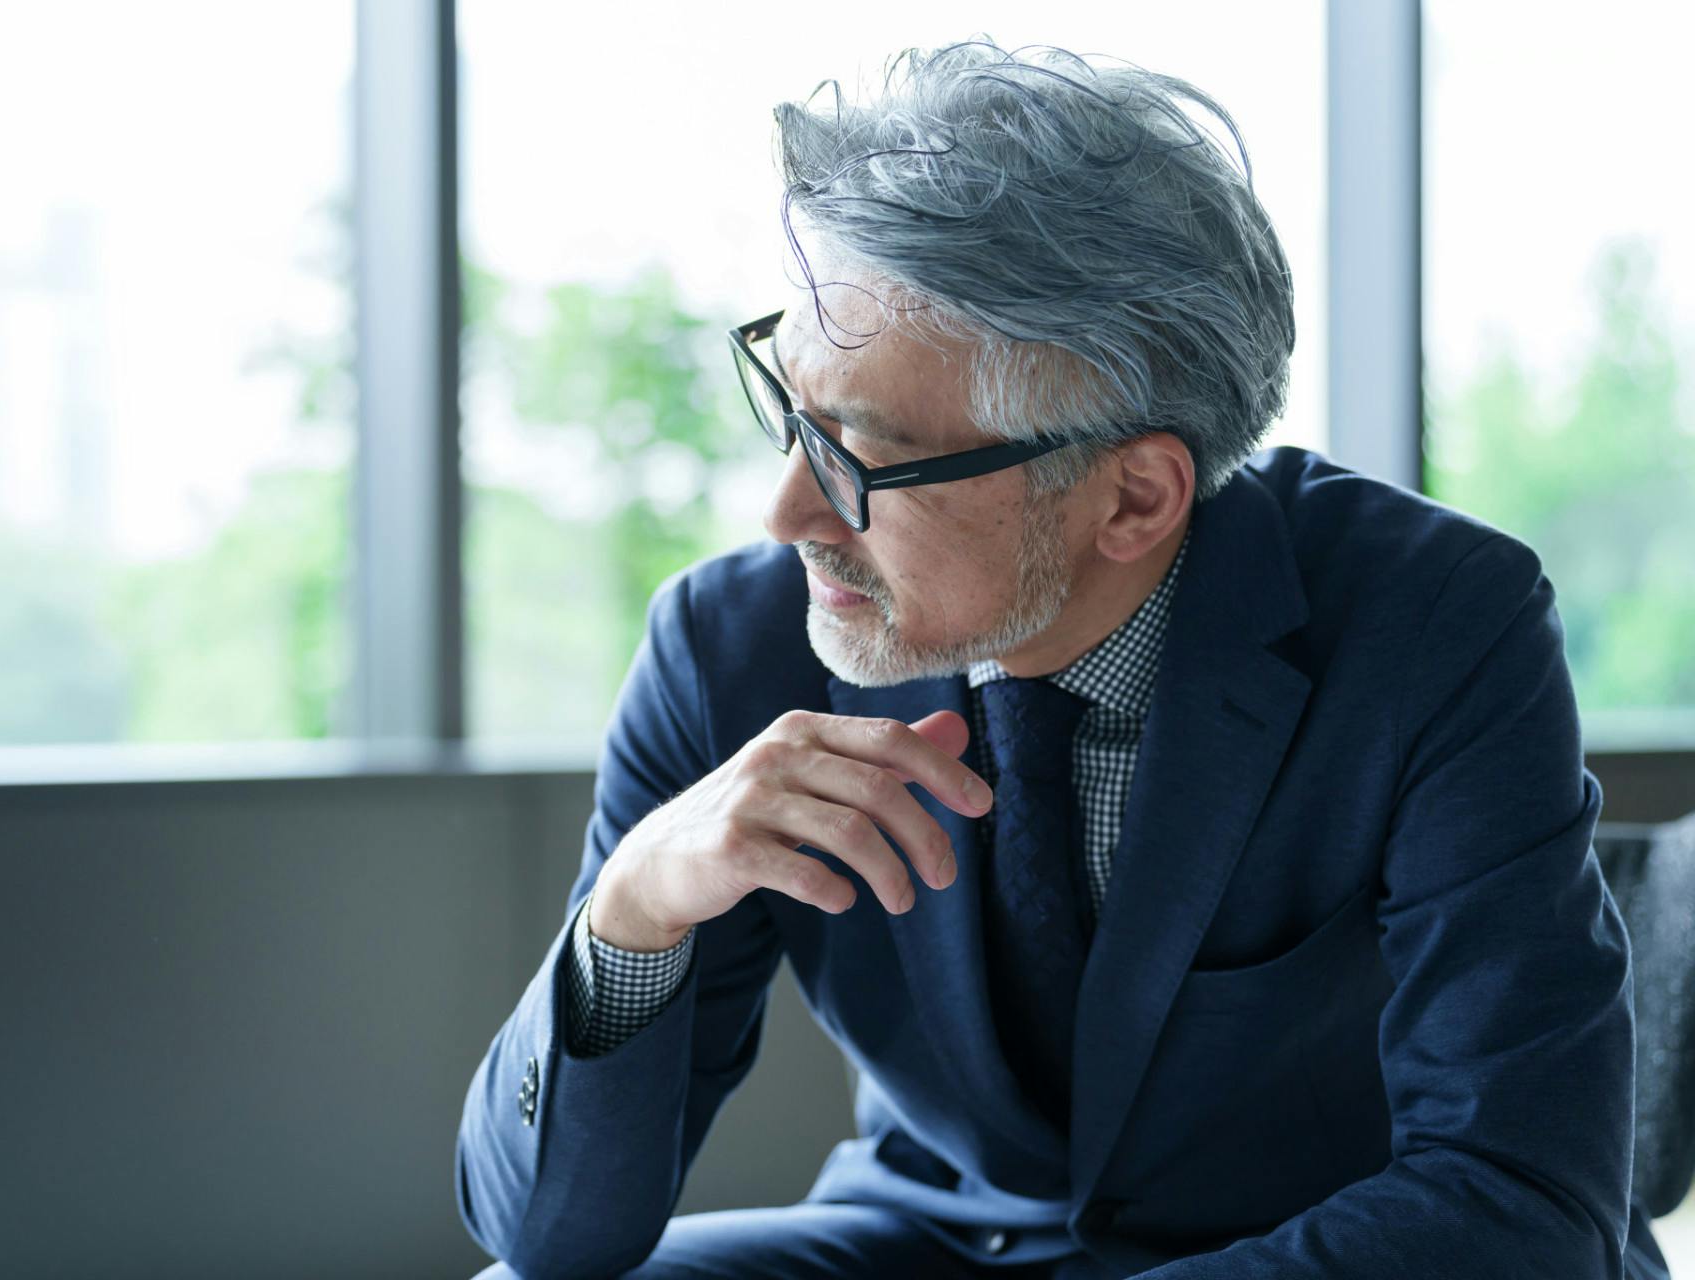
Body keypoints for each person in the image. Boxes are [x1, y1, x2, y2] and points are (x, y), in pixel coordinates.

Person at [457, 38, 1666, 1279]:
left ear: (1134, 497)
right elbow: (546, 1237)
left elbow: (1517, 1199)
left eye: (859, 457)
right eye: (792, 413)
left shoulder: (1436, 621)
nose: (787, 516)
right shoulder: (730, 645)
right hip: (940, 1237)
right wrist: (633, 912)